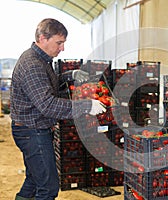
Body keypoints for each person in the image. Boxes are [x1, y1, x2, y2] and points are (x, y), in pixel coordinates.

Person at [10, 18, 106, 200]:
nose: (62, 48)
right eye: (59, 43)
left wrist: (70, 75)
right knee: (48, 188)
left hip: (30, 129)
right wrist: (86, 105)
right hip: (32, 132)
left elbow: (47, 85)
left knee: (33, 179)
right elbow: (48, 104)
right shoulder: (32, 65)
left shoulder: (41, 60)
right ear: (43, 38)